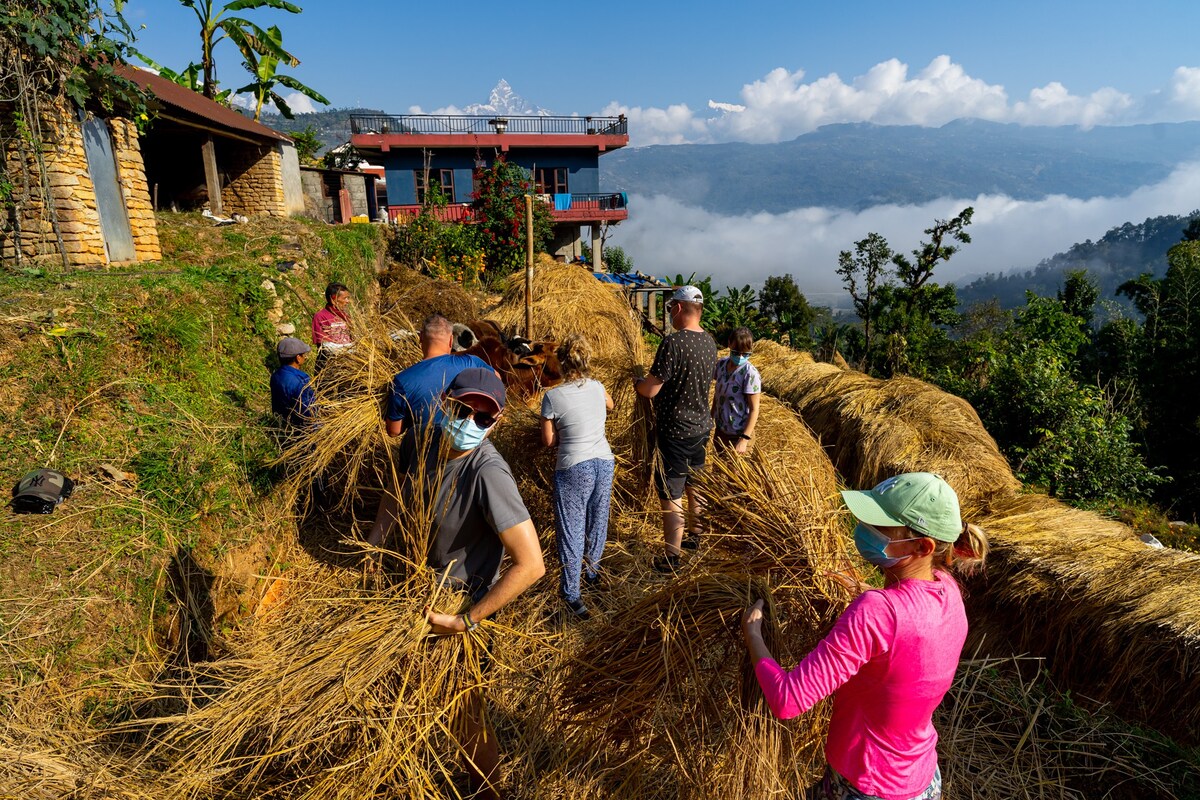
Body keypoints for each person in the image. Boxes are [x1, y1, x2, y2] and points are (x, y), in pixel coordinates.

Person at [740, 472, 989, 800]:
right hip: (922, 782)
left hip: (865, 786)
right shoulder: (949, 590)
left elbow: (788, 700)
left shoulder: (877, 612)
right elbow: (908, 632)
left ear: (922, 545)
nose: (865, 529)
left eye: (879, 526)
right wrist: (868, 592)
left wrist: (754, 634)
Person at [423, 368, 546, 800]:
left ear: (497, 423)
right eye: (462, 409)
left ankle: (489, 792)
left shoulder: (488, 472)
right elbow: (393, 493)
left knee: (467, 716)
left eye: (483, 417)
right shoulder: (425, 444)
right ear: (444, 404)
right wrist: (377, 541)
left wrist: (465, 621)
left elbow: (531, 564)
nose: (469, 421)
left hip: (455, 609)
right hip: (415, 596)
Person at [366, 314, 492, 550]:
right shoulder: (470, 363)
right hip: (467, 452)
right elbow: (494, 382)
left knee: (397, 486)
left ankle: (375, 545)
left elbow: (393, 431)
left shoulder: (402, 380)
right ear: (451, 339)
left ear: (420, 339)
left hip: (423, 457)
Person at [634, 285, 718, 570]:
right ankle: (696, 536)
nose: (670, 312)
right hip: (701, 428)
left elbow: (650, 390)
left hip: (676, 431)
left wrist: (637, 381)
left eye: (671, 308)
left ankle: (672, 556)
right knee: (695, 484)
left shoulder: (674, 343)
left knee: (672, 494)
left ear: (679, 308)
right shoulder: (709, 342)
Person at [539, 334, 615, 619]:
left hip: (574, 465)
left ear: (561, 363)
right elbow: (610, 405)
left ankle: (572, 594)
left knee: (571, 528)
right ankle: (592, 574)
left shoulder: (553, 396)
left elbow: (548, 441)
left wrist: (560, 428)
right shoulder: (597, 387)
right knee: (597, 520)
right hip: (604, 462)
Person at [711, 326, 761, 455]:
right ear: (729, 344)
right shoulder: (721, 365)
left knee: (735, 474)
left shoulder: (750, 374)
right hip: (721, 432)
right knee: (717, 474)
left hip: (739, 435)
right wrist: (710, 417)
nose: (740, 356)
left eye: (745, 354)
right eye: (736, 351)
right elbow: (718, 395)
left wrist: (744, 439)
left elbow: (754, 409)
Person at [269, 337, 315, 429]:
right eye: (303, 355)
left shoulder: (275, 376)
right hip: (299, 428)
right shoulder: (300, 381)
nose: (304, 357)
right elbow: (307, 412)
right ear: (298, 358)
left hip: (283, 423)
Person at [312, 282, 353, 371]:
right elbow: (325, 346)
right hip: (330, 367)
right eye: (345, 298)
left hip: (348, 365)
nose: (347, 301)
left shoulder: (345, 316)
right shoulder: (320, 317)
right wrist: (349, 349)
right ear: (333, 300)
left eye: (348, 298)